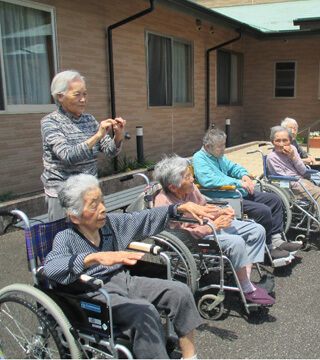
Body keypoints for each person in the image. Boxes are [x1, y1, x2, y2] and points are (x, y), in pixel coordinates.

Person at [44, 174, 212, 358]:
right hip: (96, 294)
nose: (103, 209)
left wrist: (178, 208)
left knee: (179, 292)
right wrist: (94, 258)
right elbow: (51, 267)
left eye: (102, 201)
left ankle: (190, 357)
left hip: (124, 281)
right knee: (143, 312)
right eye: (94, 205)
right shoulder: (66, 238)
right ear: (74, 217)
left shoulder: (110, 224)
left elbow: (143, 218)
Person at [153, 155, 274, 305]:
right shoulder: (163, 204)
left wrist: (221, 211)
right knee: (236, 242)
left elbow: (206, 208)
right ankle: (247, 289)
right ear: (173, 187)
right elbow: (182, 237)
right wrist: (213, 227)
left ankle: (244, 281)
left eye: (190, 174)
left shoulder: (191, 189)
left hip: (211, 225)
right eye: (187, 177)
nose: (192, 179)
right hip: (197, 238)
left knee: (257, 230)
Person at [193, 128, 301, 262]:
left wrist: (244, 175)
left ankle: (277, 239)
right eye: (220, 146)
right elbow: (207, 180)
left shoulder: (218, 156)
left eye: (224, 145)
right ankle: (267, 247)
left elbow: (233, 167)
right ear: (208, 146)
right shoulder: (200, 158)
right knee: (263, 211)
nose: (223, 148)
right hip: (224, 197)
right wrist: (237, 183)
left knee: (274, 200)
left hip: (236, 193)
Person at [41, 70, 127, 221]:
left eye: (85, 94)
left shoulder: (89, 120)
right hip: (63, 192)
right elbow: (67, 155)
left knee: (92, 235)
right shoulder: (50, 122)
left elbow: (110, 150)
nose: (83, 100)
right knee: (64, 236)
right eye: (77, 95)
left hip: (89, 190)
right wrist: (97, 136)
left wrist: (118, 136)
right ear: (60, 96)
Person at [266, 126, 320, 243]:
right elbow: (281, 177)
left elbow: (302, 170)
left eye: (285, 140)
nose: (281, 144)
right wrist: (299, 183)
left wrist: (293, 157)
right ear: (273, 142)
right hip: (289, 187)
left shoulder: (292, 149)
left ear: (291, 140)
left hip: (301, 182)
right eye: (278, 141)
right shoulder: (272, 158)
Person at [281, 117, 320, 200]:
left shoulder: (293, 142)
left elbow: (302, 152)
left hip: (301, 170)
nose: (293, 131)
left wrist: (309, 156)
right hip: (295, 174)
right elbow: (287, 162)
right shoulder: (283, 145)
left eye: (295, 129)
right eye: (290, 128)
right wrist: (304, 161)